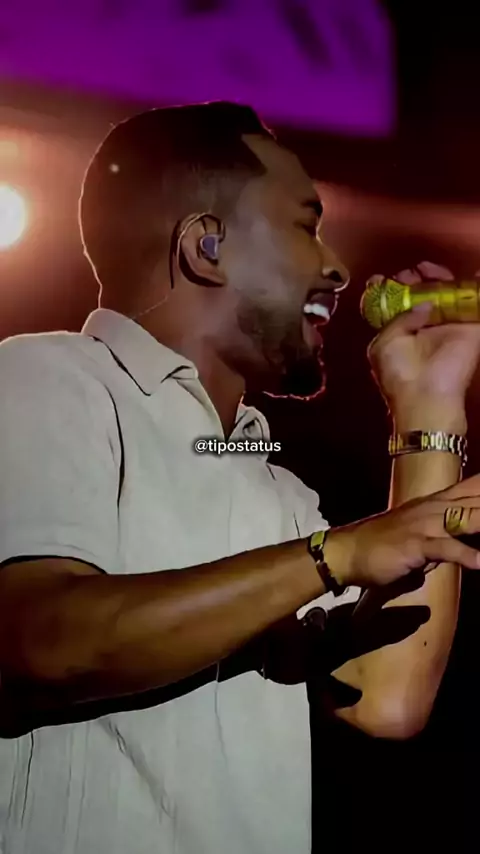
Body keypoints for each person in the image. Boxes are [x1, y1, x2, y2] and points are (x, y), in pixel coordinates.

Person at [0, 102, 480, 854]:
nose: (337, 267)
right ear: (207, 246)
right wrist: (336, 555)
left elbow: (385, 695)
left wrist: (430, 406)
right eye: (305, 226)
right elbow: (43, 641)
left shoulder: (278, 493)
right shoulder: (45, 377)